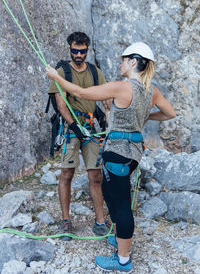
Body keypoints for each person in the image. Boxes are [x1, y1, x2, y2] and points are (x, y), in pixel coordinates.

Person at [46, 42, 176, 272]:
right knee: (111, 194)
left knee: (122, 203)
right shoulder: (151, 91)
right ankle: (119, 239)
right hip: (132, 152)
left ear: (133, 62)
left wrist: (55, 76)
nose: (120, 63)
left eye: (124, 59)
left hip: (118, 151)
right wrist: (145, 117)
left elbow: (80, 92)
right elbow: (170, 113)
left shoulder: (121, 88)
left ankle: (123, 259)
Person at [48, 31, 110, 241]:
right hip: (71, 130)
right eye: (75, 50)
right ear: (69, 49)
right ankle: (66, 220)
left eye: (82, 51)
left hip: (91, 128)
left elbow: (106, 99)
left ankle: (100, 221)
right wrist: (74, 127)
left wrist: (109, 123)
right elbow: (61, 103)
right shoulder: (61, 72)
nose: (78, 54)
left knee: (95, 175)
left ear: (87, 50)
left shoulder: (95, 72)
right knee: (67, 173)